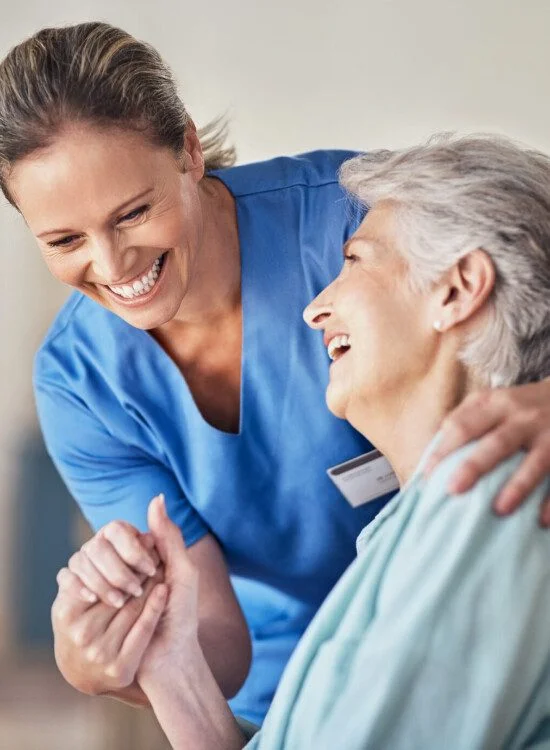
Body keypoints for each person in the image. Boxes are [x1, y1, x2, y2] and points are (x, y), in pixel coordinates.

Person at [1, 22, 549, 723]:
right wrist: (116, 656)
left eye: (133, 213)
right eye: (65, 240)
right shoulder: (80, 382)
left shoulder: (356, 227)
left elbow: (525, 280)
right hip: (289, 695)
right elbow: (216, 644)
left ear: (190, 151)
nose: (112, 267)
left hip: (449, 618)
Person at [126, 134, 550, 749]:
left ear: (457, 289)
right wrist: (174, 670)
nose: (314, 308)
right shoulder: (414, 522)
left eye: (354, 260)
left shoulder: (491, 494)